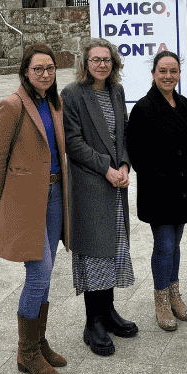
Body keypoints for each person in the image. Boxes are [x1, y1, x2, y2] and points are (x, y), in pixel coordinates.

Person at [0, 44, 70, 374]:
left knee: (46, 274)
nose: (45, 74)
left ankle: (39, 341)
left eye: (49, 68)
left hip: (54, 195)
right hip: (25, 201)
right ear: (25, 72)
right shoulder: (12, 105)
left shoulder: (53, 102)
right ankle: (26, 352)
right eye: (38, 69)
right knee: (39, 272)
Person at [61, 38, 138, 356]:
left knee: (114, 248)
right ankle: (92, 323)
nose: (102, 64)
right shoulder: (72, 94)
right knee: (95, 253)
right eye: (95, 60)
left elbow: (124, 132)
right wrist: (107, 169)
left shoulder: (116, 91)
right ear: (84, 63)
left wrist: (123, 163)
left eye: (107, 59)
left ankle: (108, 313)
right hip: (90, 185)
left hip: (115, 182)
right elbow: (73, 142)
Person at [127, 51, 187, 331]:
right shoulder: (143, 108)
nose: (168, 76)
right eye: (162, 71)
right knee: (165, 245)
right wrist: (162, 178)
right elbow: (138, 155)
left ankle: (175, 296)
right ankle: (161, 301)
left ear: (179, 74)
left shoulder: (183, 104)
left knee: (176, 244)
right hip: (159, 192)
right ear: (154, 74)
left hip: (183, 190)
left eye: (173, 71)